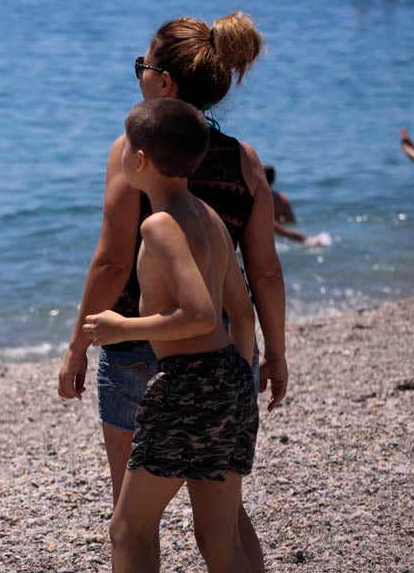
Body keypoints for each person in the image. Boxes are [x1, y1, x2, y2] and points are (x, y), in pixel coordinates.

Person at [58, 11, 286, 573]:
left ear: (165, 84)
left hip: (146, 349)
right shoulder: (243, 159)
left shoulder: (135, 149)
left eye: (143, 66)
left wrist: (78, 345)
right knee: (227, 521)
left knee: (132, 522)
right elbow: (263, 272)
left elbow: (112, 262)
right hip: (229, 354)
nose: (138, 75)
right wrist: (270, 353)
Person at [84, 98, 259, 573]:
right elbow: (241, 316)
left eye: (125, 148)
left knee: (129, 529)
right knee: (219, 537)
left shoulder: (159, 225)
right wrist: (238, 381)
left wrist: (122, 326)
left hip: (187, 382)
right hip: (228, 380)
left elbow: (199, 314)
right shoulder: (211, 219)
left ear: (139, 161)